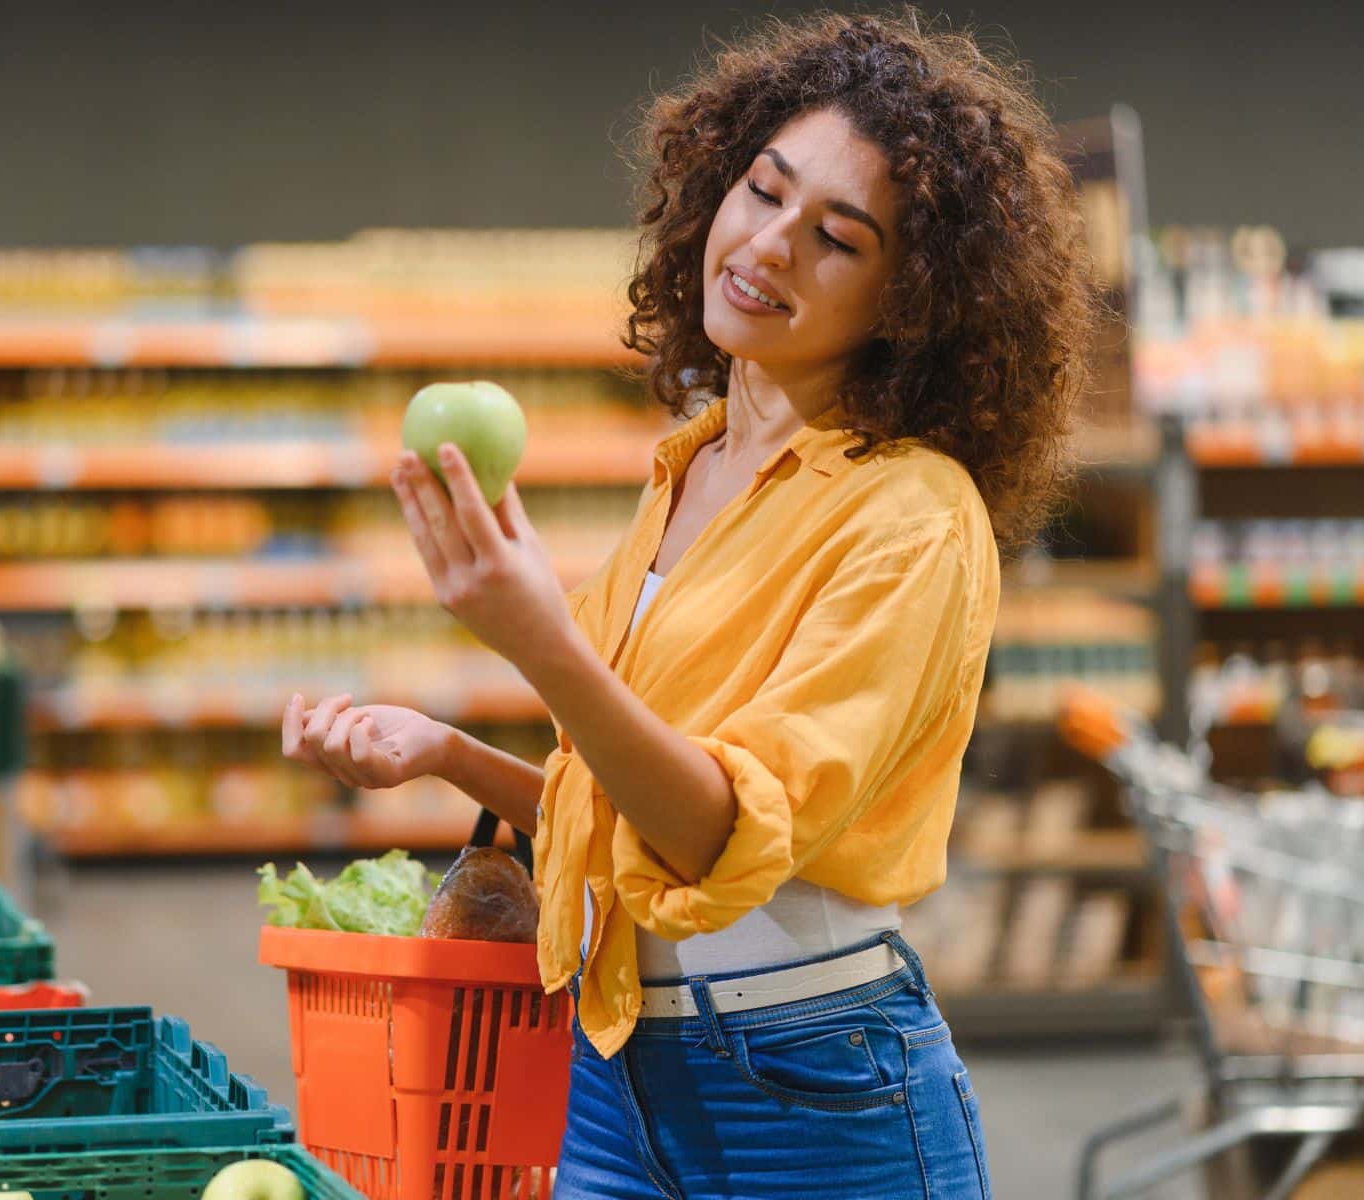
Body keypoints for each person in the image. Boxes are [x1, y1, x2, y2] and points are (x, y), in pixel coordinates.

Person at [280, 9, 1100, 1197]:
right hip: (615, 1074)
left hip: (815, 1090)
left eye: (839, 239)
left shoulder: (913, 519)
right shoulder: (688, 469)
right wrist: (450, 755)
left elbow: (723, 837)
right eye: (762, 192)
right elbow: (631, 814)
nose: (769, 247)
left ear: (912, 302)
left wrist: (542, 644)